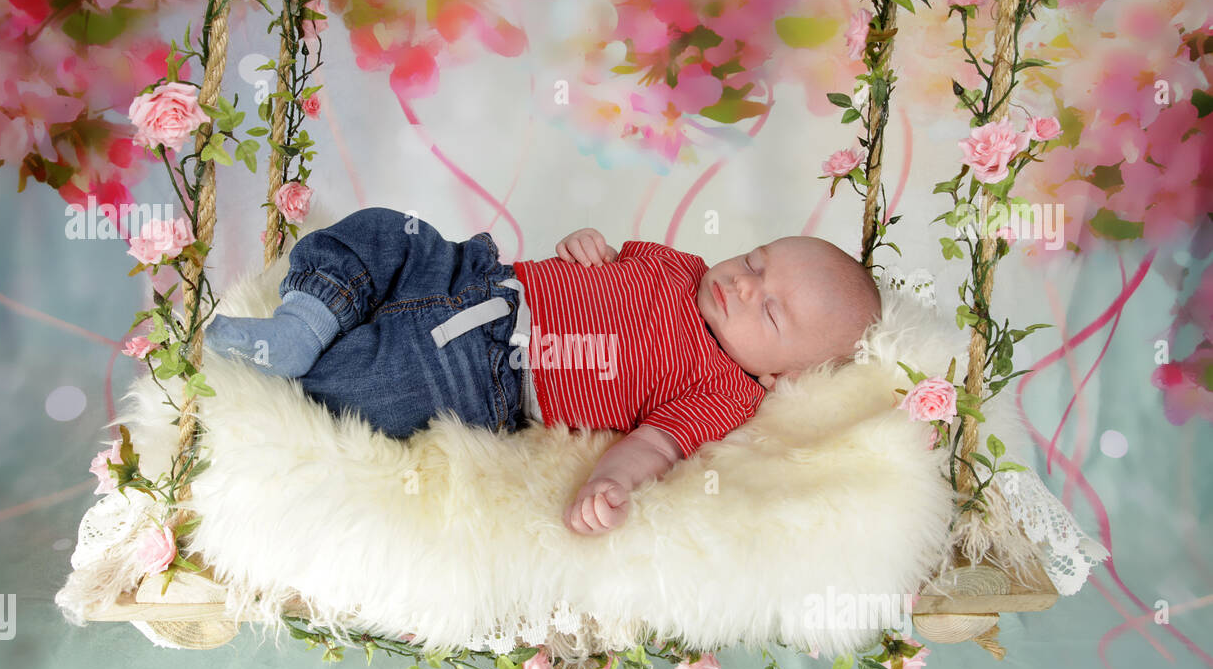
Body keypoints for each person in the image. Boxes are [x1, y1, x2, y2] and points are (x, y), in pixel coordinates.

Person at [205, 206, 881, 536]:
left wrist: (612, 482)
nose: (744, 284)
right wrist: (589, 244)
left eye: (770, 312)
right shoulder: (683, 265)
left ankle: (305, 362)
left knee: (373, 386)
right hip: (472, 272)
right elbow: (609, 263)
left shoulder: (725, 389)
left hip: (486, 372)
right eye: (756, 261)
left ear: (780, 378)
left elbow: (657, 443)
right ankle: (303, 324)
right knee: (384, 230)